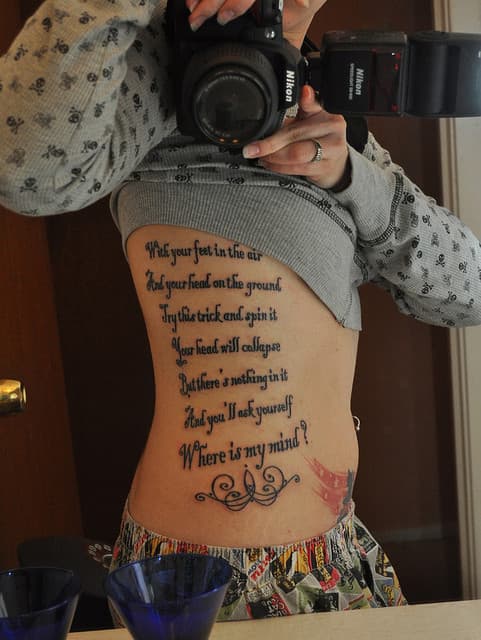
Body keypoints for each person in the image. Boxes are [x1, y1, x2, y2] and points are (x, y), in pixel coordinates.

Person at [1, 0, 480, 620]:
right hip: (202, 575)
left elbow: (469, 291)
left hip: (338, 554)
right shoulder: (153, 91)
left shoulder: (335, 127)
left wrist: (348, 176)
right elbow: (24, 172)